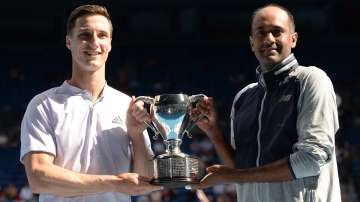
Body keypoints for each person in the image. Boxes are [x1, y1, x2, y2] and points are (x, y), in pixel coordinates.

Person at [193, 3, 341, 202]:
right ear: (252, 42)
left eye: (277, 32)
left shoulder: (311, 80)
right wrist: (214, 133)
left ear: (293, 39)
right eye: (261, 33)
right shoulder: (243, 97)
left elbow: (311, 160)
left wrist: (232, 176)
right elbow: (241, 168)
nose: (269, 39)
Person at [20, 4, 160, 202]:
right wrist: (113, 183)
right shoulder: (44, 104)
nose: (94, 42)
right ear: (69, 41)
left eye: (102, 35)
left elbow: (145, 182)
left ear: (110, 43)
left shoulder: (127, 105)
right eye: (85, 35)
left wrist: (137, 136)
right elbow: (39, 178)